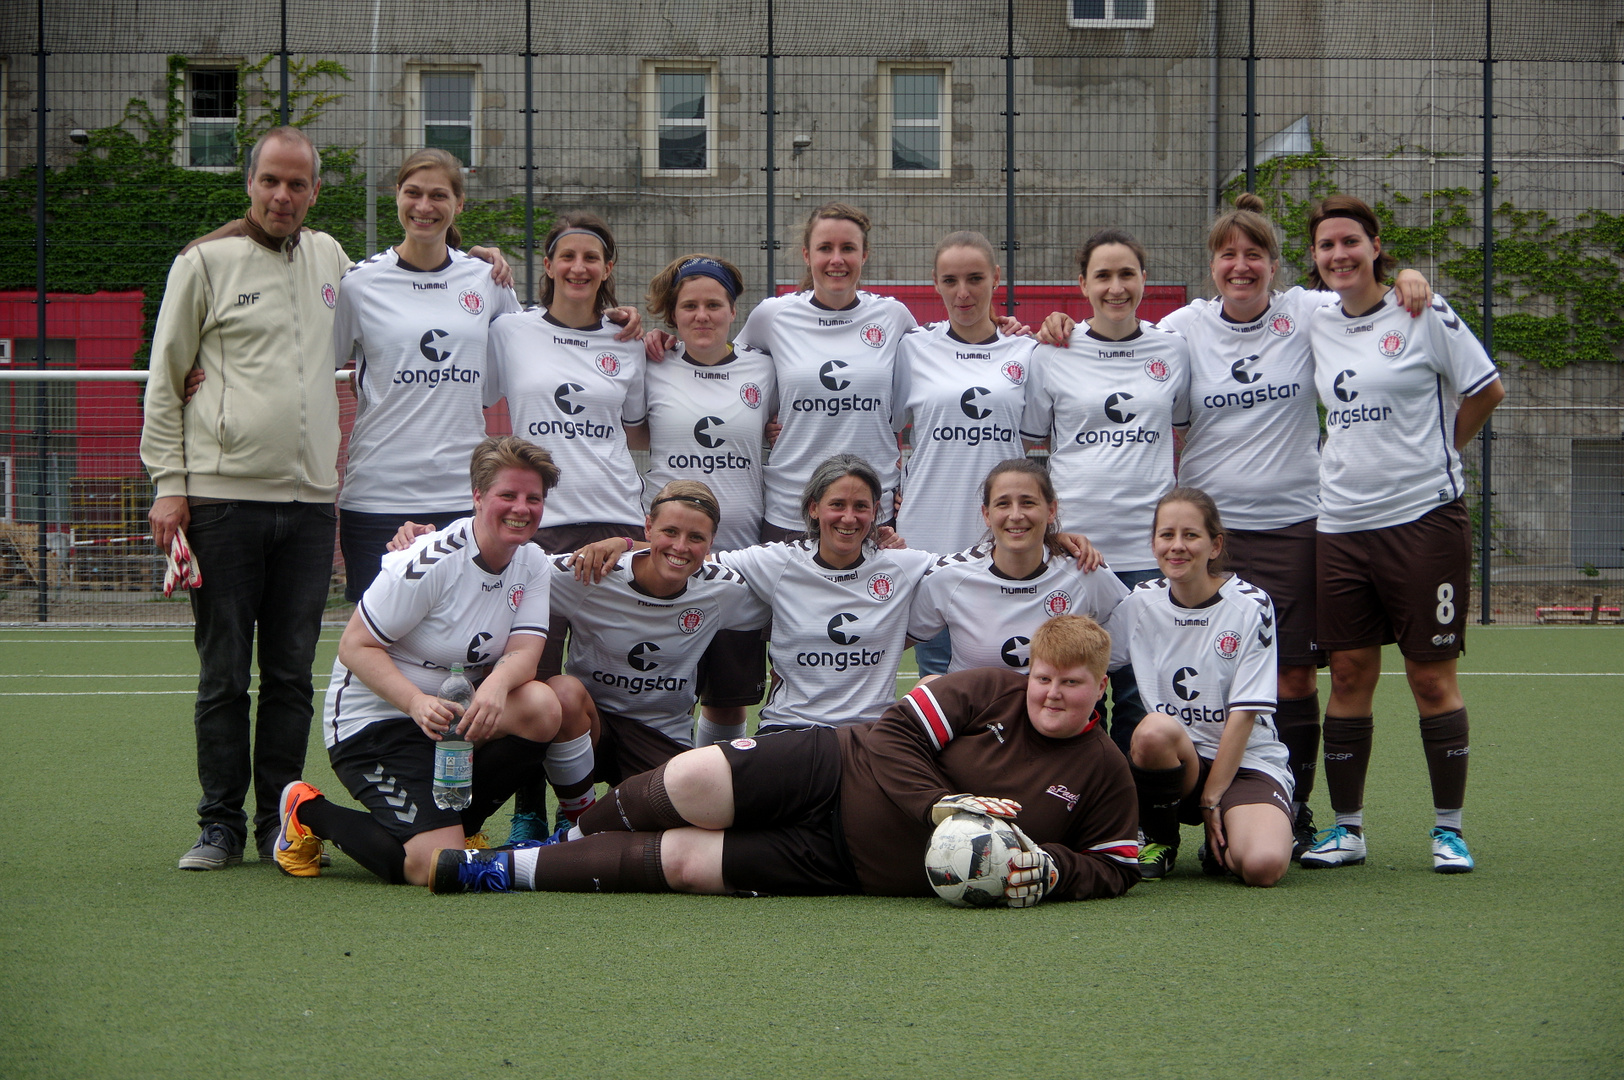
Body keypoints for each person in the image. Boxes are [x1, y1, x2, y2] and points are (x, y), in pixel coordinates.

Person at [427, 614, 1141, 903]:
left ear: (1096, 689)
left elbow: (1117, 866)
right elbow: (895, 735)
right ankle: (574, 834)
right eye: (1044, 677)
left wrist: (1048, 870)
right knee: (692, 777)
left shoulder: (1104, 768)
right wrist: (939, 806)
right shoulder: (990, 689)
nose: (1049, 694)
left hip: (853, 866)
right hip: (836, 763)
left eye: (1070, 684)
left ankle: (496, 873)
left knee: (682, 863)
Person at [1157, 192, 1433, 855]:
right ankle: (1169, 816)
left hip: (1297, 525)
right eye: (1229, 255)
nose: (1242, 267)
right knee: (1200, 676)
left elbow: (1366, 296)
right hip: (1211, 538)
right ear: (1213, 265)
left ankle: (1295, 807)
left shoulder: (1305, 312)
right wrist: (1053, 328)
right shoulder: (1185, 326)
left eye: (1255, 255)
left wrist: (1407, 279)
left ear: (1278, 265)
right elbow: (1114, 349)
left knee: (1292, 678)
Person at [141, 126, 355, 871]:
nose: (283, 196)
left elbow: (405, 289)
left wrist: (481, 258)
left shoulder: (332, 258)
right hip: (220, 503)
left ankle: (278, 821)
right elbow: (167, 379)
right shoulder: (204, 261)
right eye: (271, 181)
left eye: (298, 184)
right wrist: (170, 486)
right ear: (251, 183)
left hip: (307, 506)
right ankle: (219, 825)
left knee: (292, 674)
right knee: (226, 673)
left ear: (314, 191)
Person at [269, 436, 581, 887]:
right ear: (477, 496)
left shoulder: (530, 561)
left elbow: (524, 652)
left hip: (448, 724)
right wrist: (415, 702)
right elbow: (355, 647)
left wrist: (494, 687)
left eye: (534, 498)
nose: (522, 508)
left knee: (542, 705)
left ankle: (455, 825)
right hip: (377, 723)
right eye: (507, 495)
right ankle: (307, 811)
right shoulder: (428, 560)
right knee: (433, 867)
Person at [1298, 195, 1503, 874]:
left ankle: (1449, 829)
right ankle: (1348, 828)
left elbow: (1486, 388)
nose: (1339, 256)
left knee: (1429, 677)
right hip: (1341, 526)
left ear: (1376, 245)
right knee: (1351, 673)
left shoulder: (1423, 310)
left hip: (1423, 522)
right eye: (1327, 246)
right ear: (1315, 257)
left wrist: (1442, 449)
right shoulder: (1315, 317)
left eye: (1350, 242)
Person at [486, 212, 649, 841]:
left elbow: (634, 423)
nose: (578, 268)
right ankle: (529, 805)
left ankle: (600, 804)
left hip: (613, 519)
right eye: (567, 257)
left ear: (608, 270)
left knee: (615, 667)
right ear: (548, 265)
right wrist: (479, 256)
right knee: (533, 675)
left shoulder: (625, 338)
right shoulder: (511, 329)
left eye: (592, 259)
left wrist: (646, 333)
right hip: (537, 520)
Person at [574, 455, 935, 732]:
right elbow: (687, 553)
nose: (849, 517)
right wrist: (623, 543)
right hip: (790, 729)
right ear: (814, 508)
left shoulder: (902, 565)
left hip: (870, 735)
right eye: (837, 504)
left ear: (876, 513)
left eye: (861, 507)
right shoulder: (778, 561)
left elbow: (970, 570)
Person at [1021, 228, 1190, 755]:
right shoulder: (1051, 352)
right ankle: (1079, 811)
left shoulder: (1174, 350)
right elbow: (1035, 444)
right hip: (1079, 553)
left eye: (1126, 274)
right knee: (1075, 693)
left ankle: (1136, 820)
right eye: (1103, 276)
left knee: (1142, 697)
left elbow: (1179, 426)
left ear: (1144, 280)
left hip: (1150, 551)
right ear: (1083, 284)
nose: (1115, 288)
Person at [333, 148, 522, 601]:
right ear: (396, 196)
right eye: (412, 193)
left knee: (463, 635)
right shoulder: (359, 284)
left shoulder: (486, 280)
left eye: (438, 195)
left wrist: (607, 320)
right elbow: (314, 366)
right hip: (377, 494)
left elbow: (534, 348)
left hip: (464, 494)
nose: (424, 206)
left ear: (459, 204)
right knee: (377, 640)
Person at [1111, 488, 1293, 886]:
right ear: (1154, 543)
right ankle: (1160, 838)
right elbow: (1089, 661)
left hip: (1245, 762)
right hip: (1178, 762)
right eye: (1167, 535)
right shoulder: (1140, 604)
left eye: (1190, 535)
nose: (1177, 547)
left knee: (1262, 867)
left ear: (1215, 545)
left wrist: (1212, 799)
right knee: (1154, 730)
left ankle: (1234, 824)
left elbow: (1245, 715)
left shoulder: (1250, 605)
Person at [545, 480, 772, 798]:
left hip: (661, 732)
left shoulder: (724, 591)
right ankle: (576, 820)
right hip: (593, 722)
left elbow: (790, 609)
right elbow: (519, 576)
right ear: (648, 527)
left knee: (669, 830)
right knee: (560, 694)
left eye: (696, 538)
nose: (680, 547)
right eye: (670, 532)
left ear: (710, 543)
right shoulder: (591, 571)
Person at [639, 254, 777, 744]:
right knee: (654, 688)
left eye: (713, 304)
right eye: (689, 305)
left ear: (733, 311)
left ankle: (712, 794)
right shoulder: (650, 364)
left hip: (737, 559)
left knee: (726, 698)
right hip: (667, 556)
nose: (702, 316)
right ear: (672, 315)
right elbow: (632, 434)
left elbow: (783, 430)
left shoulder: (764, 370)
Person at [893, 231, 1039, 675]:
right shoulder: (913, 348)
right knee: (937, 680)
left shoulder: (1028, 351)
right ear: (934, 283)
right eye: (950, 280)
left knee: (1009, 677)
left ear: (996, 278)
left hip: (1005, 541)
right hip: (929, 541)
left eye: (975, 278)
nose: (963, 292)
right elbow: (887, 430)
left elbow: (1035, 438)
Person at [732, 203, 918, 540]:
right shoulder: (772, 316)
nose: (837, 259)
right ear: (806, 254)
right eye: (825, 248)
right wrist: (760, 423)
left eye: (848, 248)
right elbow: (729, 373)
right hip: (792, 508)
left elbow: (941, 365)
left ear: (865, 255)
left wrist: (1003, 328)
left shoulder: (893, 316)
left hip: (870, 510)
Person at [907, 457, 1127, 675]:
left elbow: (1142, 625)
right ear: (987, 514)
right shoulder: (950, 576)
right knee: (930, 684)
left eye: (1027, 502)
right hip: (978, 710)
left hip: (1060, 708)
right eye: (1003, 504)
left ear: (1051, 510)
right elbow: (887, 642)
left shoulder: (1085, 572)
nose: (1016, 515)